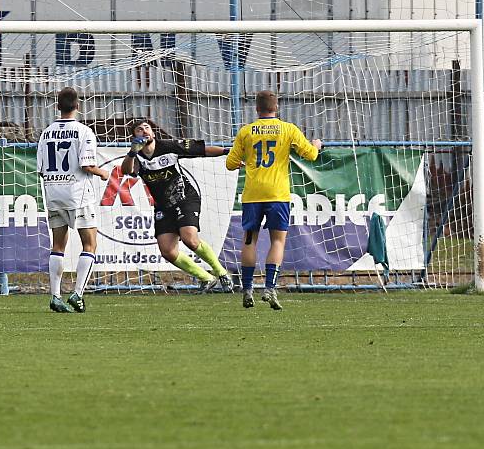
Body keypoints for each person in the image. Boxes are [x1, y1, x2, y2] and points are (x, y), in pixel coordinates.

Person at [226, 90, 322, 310]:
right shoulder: (288, 129)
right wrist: (316, 145)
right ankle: (270, 288)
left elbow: (230, 164)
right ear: (276, 108)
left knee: (250, 240)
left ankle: (248, 288)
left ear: (256, 109)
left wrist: (244, 160)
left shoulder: (246, 131)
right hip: (277, 194)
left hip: (253, 195)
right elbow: (311, 155)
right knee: (278, 241)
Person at [120, 119, 234, 293]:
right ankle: (206, 278)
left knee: (190, 239)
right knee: (167, 251)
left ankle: (221, 273)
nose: (144, 131)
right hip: (163, 206)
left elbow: (202, 150)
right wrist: (132, 153)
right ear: (134, 136)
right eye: (139, 130)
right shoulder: (136, 156)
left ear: (153, 133)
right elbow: (127, 171)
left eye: (147, 128)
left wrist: (228, 152)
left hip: (184, 197)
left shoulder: (169, 146)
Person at [37, 87, 109, 313]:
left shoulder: (46, 132)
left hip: (52, 192)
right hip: (77, 193)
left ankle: (55, 296)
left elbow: (40, 170)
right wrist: (103, 173)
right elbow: (87, 164)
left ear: (57, 106)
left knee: (58, 245)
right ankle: (78, 294)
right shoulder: (83, 131)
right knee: (90, 243)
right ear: (78, 106)